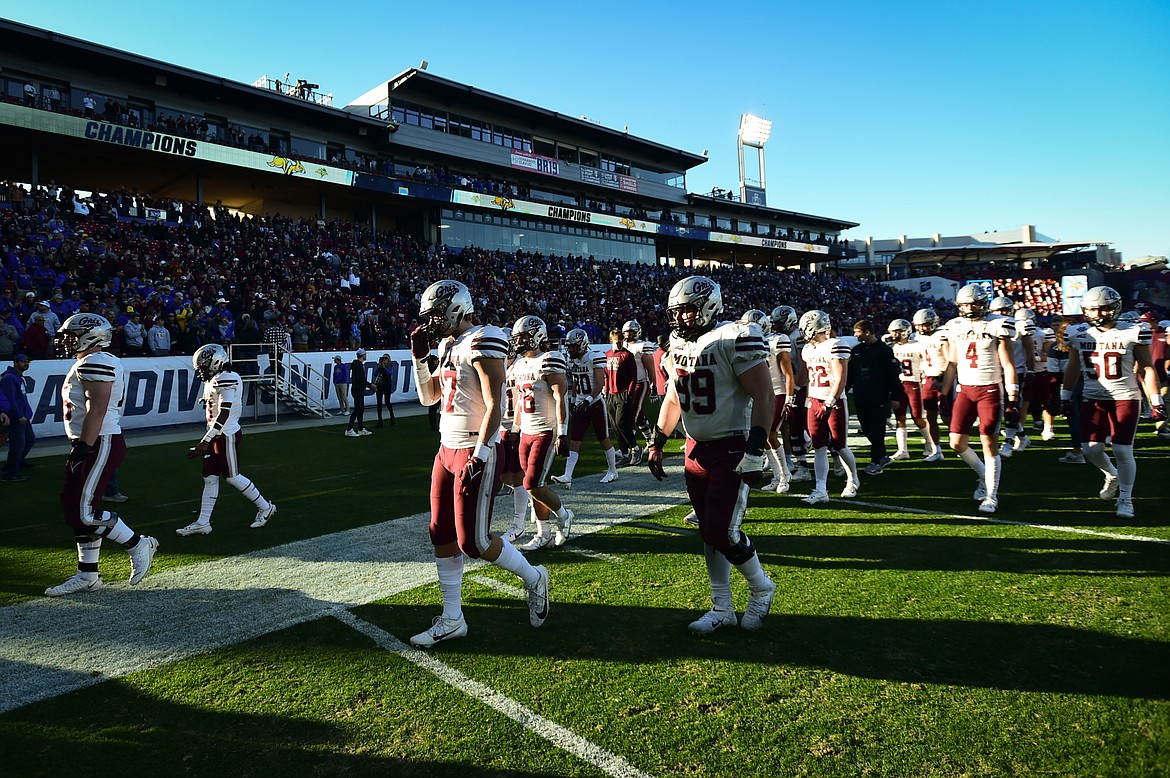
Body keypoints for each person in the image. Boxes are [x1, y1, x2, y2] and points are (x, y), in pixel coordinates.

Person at [408, 279, 549, 647]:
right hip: (446, 448)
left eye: (437, 314)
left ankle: (534, 578)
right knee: (440, 532)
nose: (433, 322)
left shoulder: (483, 339)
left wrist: (482, 453)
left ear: (457, 308)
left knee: (474, 541)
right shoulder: (446, 344)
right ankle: (453, 618)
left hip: (475, 447)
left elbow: (494, 404)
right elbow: (428, 397)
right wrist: (420, 359)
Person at [648, 276, 776, 634]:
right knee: (708, 531)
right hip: (695, 447)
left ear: (709, 306)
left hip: (731, 445)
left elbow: (765, 396)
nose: (681, 319)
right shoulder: (676, 343)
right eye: (678, 312)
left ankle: (761, 587)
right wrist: (658, 440)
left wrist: (755, 449)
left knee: (723, 530)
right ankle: (722, 607)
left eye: (688, 311)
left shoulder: (735, 336)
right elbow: (674, 396)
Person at [45, 313, 158, 596]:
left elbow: (98, 409)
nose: (66, 341)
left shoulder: (97, 361)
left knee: (82, 512)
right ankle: (88, 574)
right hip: (93, 440)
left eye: (71, 335)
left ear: (91, 335)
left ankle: (137, 543)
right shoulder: (89, 361)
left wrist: (84, 447)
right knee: (74, 505)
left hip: (100, 441)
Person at [1061, 286, 1164, 519]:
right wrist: (1065, 397)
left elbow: (1147, 368)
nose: (1097, 314)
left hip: (1125, 397)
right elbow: (1073, 366)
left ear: (1115, 308)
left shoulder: (1133, 331)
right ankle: (1112, 474)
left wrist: (1156, 401)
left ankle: (1125, 499)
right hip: (1093, 396)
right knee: (1091, 450)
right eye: (1092, 310)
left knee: (1122, 449)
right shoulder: (1078, 333)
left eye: (1103, 309)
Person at [176, 344, 277, 536]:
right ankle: (203, 522)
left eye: (204, 366)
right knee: (209, 478)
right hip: (216, 435)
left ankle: (265, 507)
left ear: (215, 362)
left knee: (232, 477)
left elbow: (224, 413)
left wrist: (205, 441)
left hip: (225, 434)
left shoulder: (226, 377)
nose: (202, 371)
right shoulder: (215, 379)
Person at [939, 284, 1018, 514]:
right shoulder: (954, 326)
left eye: (973, 303)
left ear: (983, 303)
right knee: (955, 442)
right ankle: (984, 475)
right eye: (965, 304)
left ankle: (991, 496)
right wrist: (945, 393)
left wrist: (1012, 394)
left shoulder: (997, 325)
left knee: (988, 441)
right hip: (965, 389)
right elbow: (952, 363)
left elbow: (1008, 363)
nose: (969, 308)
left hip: (989, 389)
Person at [506, 316, 575, 550]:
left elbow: (560, 397)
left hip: (546, 430)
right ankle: (543, 533)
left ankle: (564, 515)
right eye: (518, 338)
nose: (519, 342)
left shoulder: (549, 360)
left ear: (537, 335)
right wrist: (515, 429)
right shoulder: (518, 365)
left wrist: (563, 432)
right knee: (535, 485)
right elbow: (518, 401)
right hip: (526, 430)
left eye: (523, 337)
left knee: (532, 484)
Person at [800, 311, 861, 501]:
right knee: (818, 446)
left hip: (834, 401)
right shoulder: (808, 349)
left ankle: (853, 479)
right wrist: (808, 399)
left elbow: (840, 378)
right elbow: (811, 378)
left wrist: (831, 401)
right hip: (815, 399)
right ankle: (821, 490)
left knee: (839, 445)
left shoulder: (835, 345)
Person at [551, 328, 620, 487]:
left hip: (595, 403)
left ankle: (613, 470)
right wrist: (574, 400)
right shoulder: (575, 361)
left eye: (574, 346)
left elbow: (599, 383)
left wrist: (588, 400)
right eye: (570, 347)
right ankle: (567, 475)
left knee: (603, 438)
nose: (571, 350)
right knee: (575, 440)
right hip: (581, 404)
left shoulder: (594, 356)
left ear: (582, 344)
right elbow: (576, 382)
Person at [740, 309, 793, 492]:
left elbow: (788, 373)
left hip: (776, 392)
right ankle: (779, 475)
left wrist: (789, 396)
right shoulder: (750, 342)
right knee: (763, 437)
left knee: (770, 434)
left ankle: (785, 476)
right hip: (760, 393)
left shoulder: (777, 340)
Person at [849, 321, 901, 477]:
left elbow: (893, 375)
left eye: (858, 332)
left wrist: (895, 396)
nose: (855, 335)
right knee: (866, 427)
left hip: (879, 394)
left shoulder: (884, 350)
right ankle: (883, 455)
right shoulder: (857, 350)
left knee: (877, 428)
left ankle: (876, 461)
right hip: (861, 394)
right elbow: (851, 374)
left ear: (867, 332)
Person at [989, 296, 1035, 457]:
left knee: (1012, 406)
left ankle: (1008, 441)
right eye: (998, 311)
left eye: (1004, 310)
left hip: (1017, 371)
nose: (1001, 313)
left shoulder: (1021, 325)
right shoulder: (989, 325)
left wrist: (1031, 371)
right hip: (995, 371)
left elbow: (1030, 350)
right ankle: (1022, 436)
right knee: (1001, 408)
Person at [888, 318, 937, 461]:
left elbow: (928, 363)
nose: (894, 334)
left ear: (905, 332)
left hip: (914, 384)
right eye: (893, 332)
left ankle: (930, 444)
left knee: (918, 417)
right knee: (900, 418)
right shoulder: (893, 347)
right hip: (899, 384)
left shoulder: (918, 346)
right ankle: (903, 450)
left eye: (897, 332)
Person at [913, 308, 948, 462]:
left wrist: (943, 378)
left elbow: (950, 359)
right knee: (930, 415)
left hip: (943, 376)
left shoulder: (943, 335)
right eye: (920, 325)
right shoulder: (916, 338)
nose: (923, 328)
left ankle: (961, 442)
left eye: (926, 325)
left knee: (948, 416)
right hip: (926, 378)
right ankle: (936, 449)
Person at [621, 319, 656, 459]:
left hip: (640, 383)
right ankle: (651, 442)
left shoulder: (643, 346)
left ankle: (629, 446)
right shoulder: (622, 345)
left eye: (631, 331)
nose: (629, 334)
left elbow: (650, 368)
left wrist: (654, 384)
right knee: (639, 417)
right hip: (627, 385)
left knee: (631, 416)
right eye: (627, 332)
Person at [604, 328, 639, 465]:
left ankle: (635, 448)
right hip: (610, 394)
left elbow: (633, 377)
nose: (619, 344)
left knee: (621, 423)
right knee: (614, 426)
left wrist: (629, 393)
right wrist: (605, 390)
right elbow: (605, 374)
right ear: (611, 341)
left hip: (623, 393)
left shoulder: (627, 355)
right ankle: (625, 454)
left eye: (621, 342)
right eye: (616, 342)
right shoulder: (607, 354)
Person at [1, 354, 34, 481]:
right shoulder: (9, 378)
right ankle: (9, 473)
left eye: (27, 361)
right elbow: (10, 399)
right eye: (23, 362)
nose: (26, 364)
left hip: (23, 415)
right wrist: (18, 414)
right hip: (16, 417)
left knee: (30, 440)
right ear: (15, 363)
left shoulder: (17, 377)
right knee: (17, 445)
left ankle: (16, 463)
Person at [345, 349, 371, 436]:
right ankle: (349, 429)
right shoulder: (358, 365)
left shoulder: (356, 365)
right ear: (362, 355)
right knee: (357, 409)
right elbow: (360, 379)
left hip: (357, 388)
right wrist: (370, 385)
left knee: (360, 409)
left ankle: (360, 428)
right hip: (358, 389)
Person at [373, 354, 397, 427]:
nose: (385, 360)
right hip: (379, 386)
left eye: (386, 358)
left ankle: (392, 417)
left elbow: (390, 373)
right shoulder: (380, 367)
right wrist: (380, 366)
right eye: (383, 358)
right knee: (379, 403)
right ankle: (380, 420)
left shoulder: (390, 366)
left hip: (387, 385)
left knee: (387, 402)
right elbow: (375, 374)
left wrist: (384, 367)